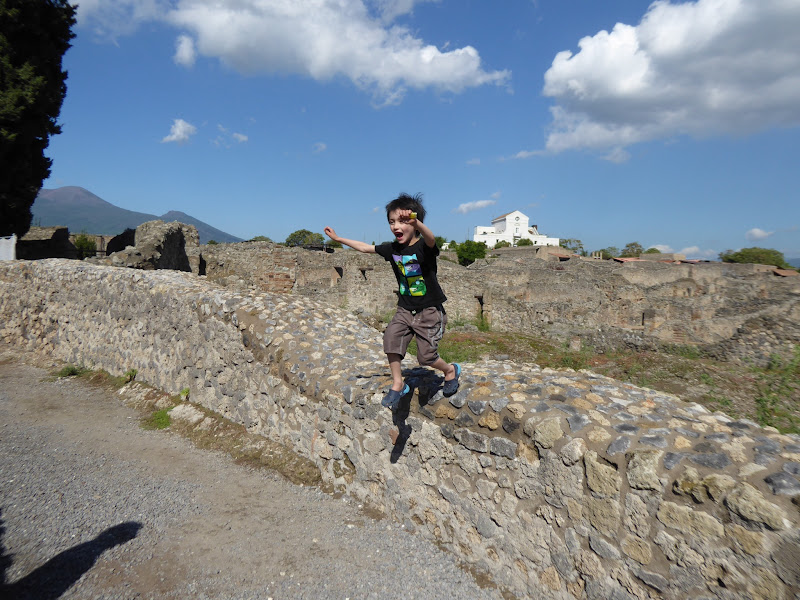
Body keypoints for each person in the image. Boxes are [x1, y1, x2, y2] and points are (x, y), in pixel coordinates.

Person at [324, 193, 460, 410]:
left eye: (402, 221)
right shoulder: (392, 249)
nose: (396, 226)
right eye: (391, 222)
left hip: (429, 310)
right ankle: (398, 383)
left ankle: (450, 370)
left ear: (415, 224)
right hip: (405, 309)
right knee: (390, 339)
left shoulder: (424, 247)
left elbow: (431, 238)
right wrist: (339, 239)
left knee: (426, 358)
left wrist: (416, 222)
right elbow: (365, 247)